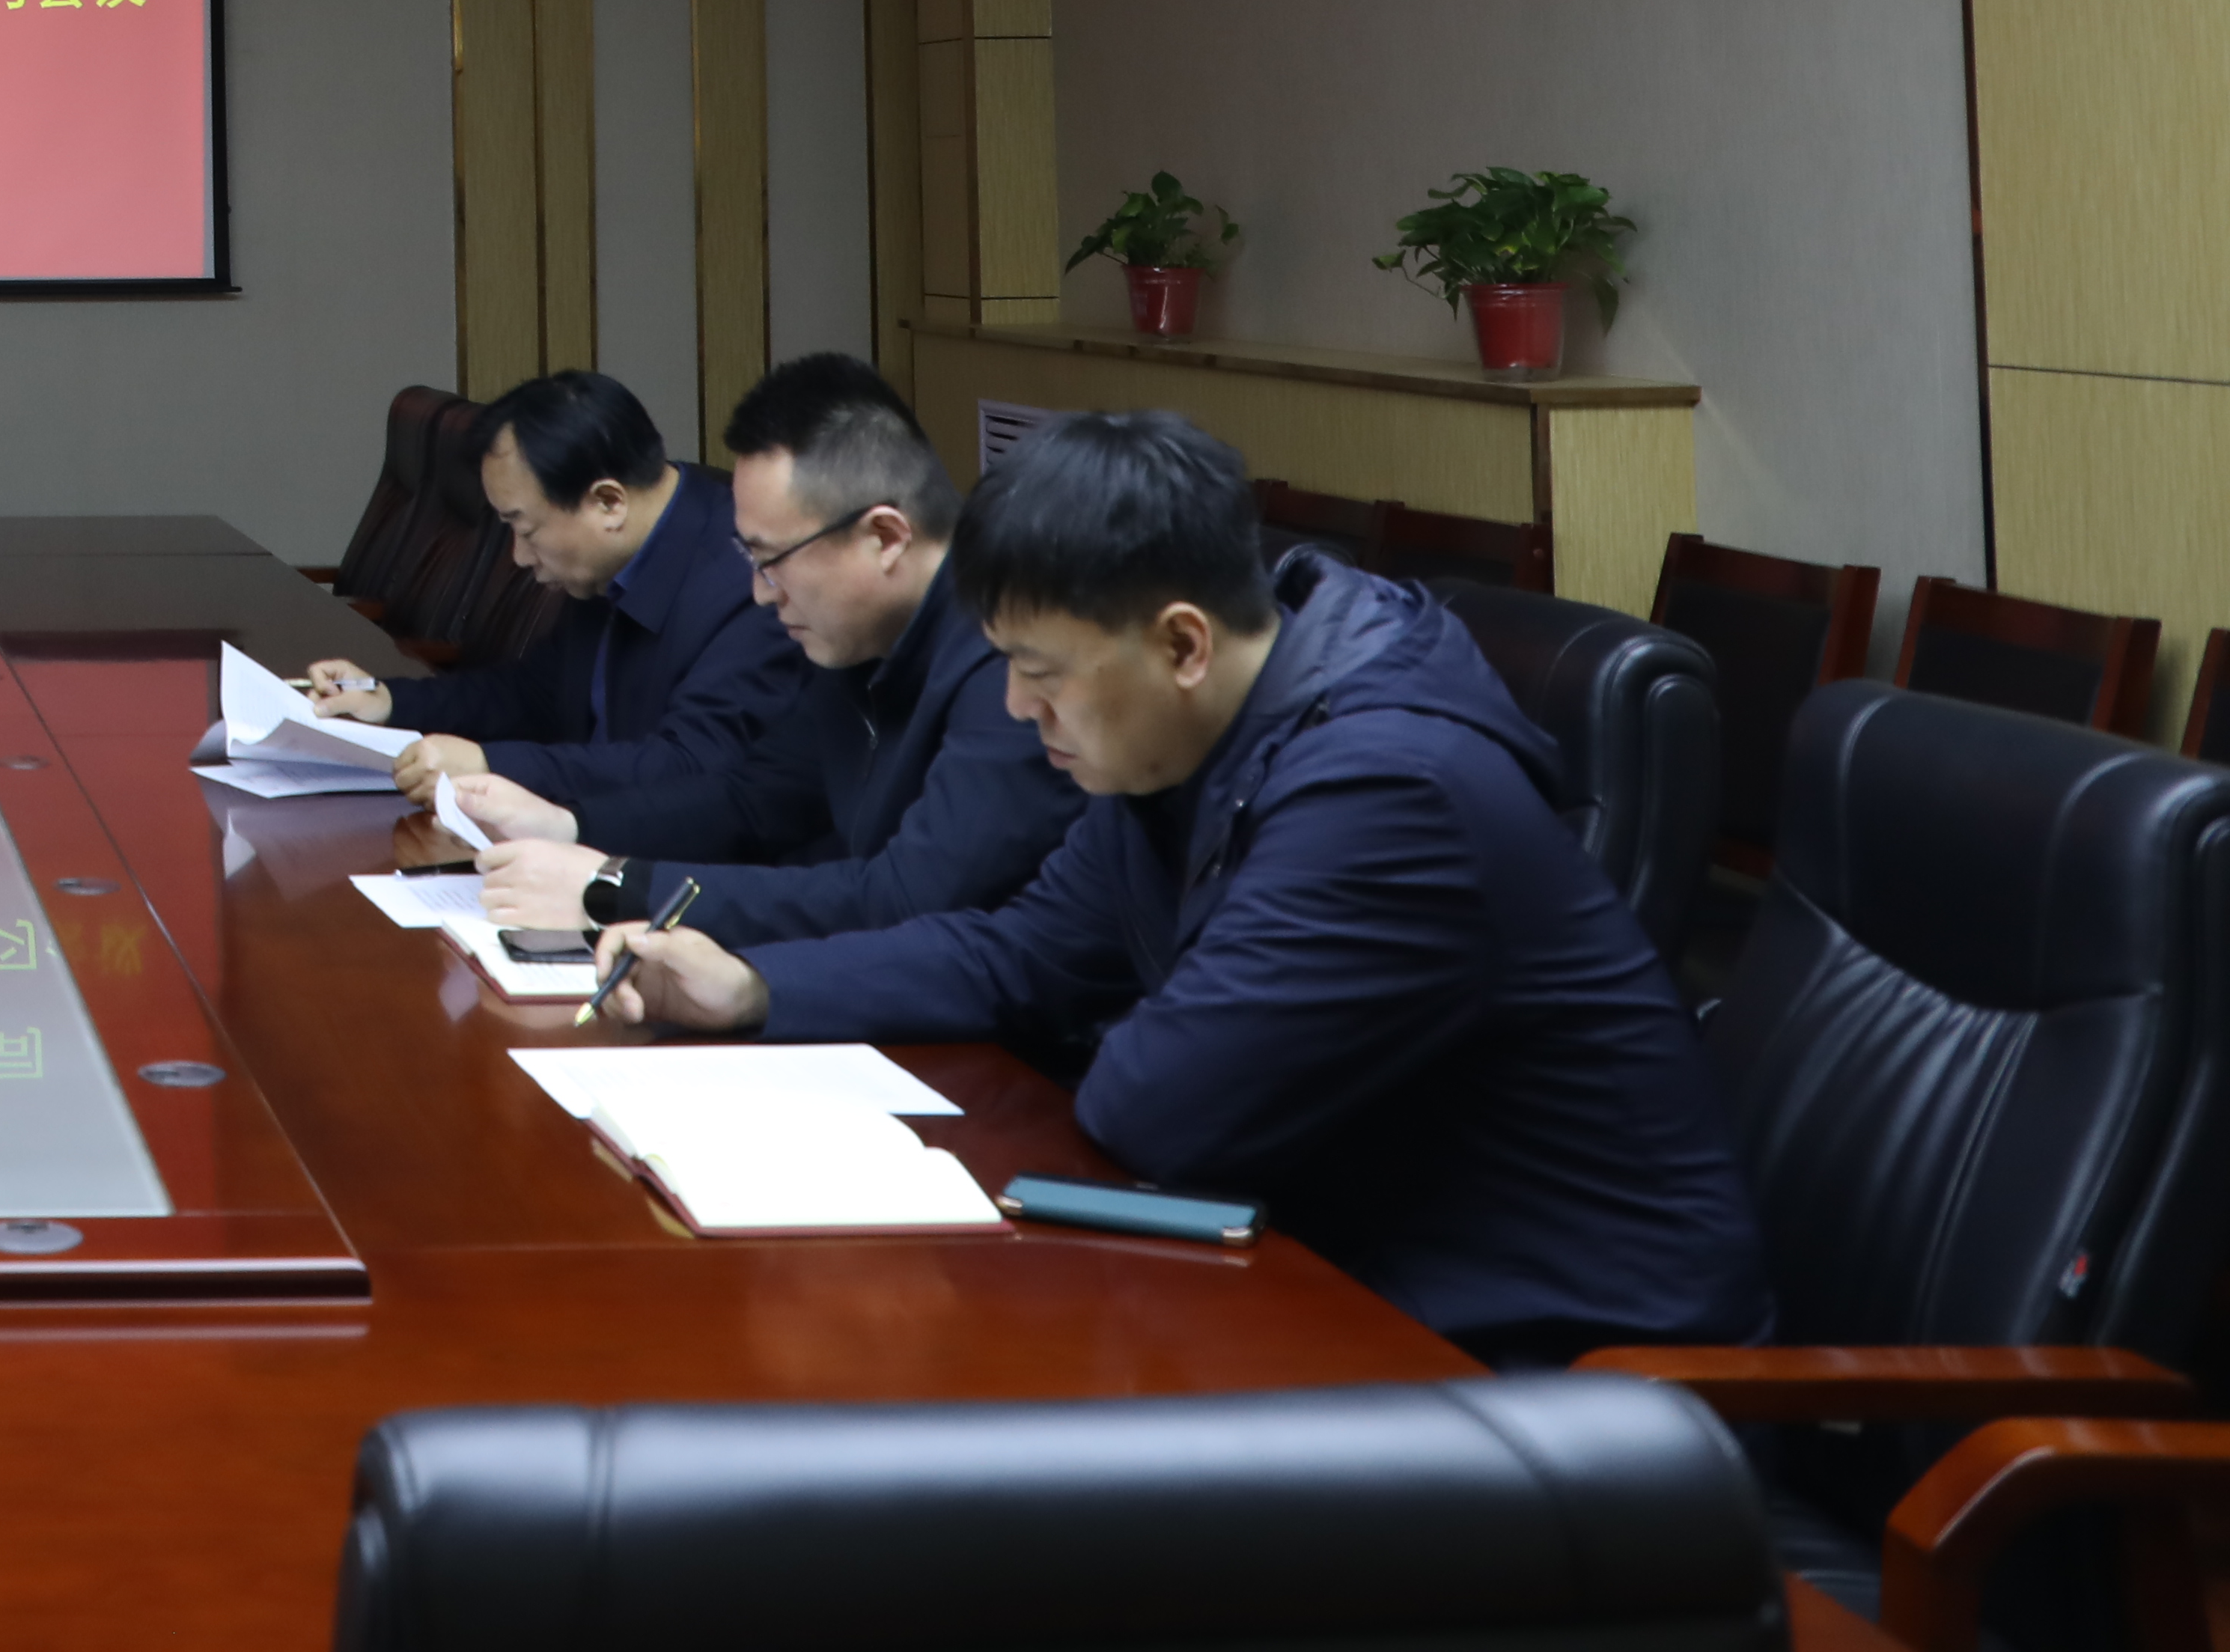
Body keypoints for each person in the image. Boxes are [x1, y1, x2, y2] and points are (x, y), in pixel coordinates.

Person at [585, 408, 1773, 1365]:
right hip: (1347, 1290)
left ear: (1184, 643)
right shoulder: (1194, 734)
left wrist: (1115, 1023)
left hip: (1561, 1376)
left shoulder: (1389, 792)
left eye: (1041, 673)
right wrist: (752, 990)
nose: (1015, 709)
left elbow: (1158, 1108)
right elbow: (1024, 953)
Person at [466, 353, 1079, 948]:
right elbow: (754, 799)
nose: (760, 594)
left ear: (886, 537)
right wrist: (570, 827)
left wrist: (619, 888)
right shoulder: (858, 638)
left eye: (772, 561)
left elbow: (902, 899)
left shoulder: (1011, 665)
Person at [292, 371, 800, 811]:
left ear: (608, 503)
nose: (518, 556)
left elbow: (692, 765)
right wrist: (387, 702)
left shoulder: (749, 587)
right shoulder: (616, 556)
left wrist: (495, 763)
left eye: (525, 528)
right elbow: (538, 692)